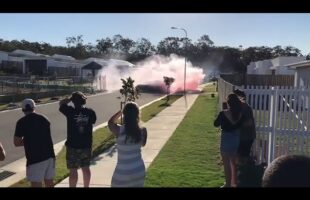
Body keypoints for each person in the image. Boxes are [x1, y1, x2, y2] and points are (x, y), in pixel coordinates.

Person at [14, 99, 55, 187]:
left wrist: (29, 141)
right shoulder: (45, 119)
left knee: (36, 184)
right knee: (49, 182)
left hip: (35, 159)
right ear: (34, 107)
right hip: (49, 156)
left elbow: (16, 142)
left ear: (23, 109)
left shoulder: (21, 122)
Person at [59, 91, 96, 187]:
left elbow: (61, 104)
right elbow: (93, 121)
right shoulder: (90, 112)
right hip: (86, 145)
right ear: (84, 101)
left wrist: (70, 98)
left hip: (72, 146)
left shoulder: (69, 111)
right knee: (86, 168)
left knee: (73, 171)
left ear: (73, 102)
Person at [108, 102, 147, 187]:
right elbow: (143, 144)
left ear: (124, 115)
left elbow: (110, 122)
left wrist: (122, 111)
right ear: (137, 114)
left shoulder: (119, 130)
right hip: (138, 170)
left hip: (123, 172)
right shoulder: (143, 130)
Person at [214, 93, 244, 187]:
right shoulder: (240, 114)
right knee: (234, 164)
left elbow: (215, 124)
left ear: (228, 103)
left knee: (227, 165)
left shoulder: (223, 113)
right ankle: (235, 183)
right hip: (236, 140)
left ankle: (228, 184)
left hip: (226, 140)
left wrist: (222, 111)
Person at [233, 89, 256, 163]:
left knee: (244, 155)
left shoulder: (246, 108)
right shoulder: (239, 107)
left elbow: (249, 122)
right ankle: (242, 170)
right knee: (240, 155)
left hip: (247, 136)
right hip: (242, 136)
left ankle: (244, 171)